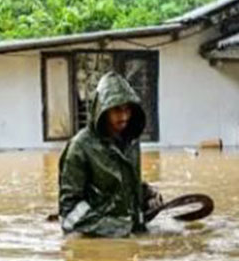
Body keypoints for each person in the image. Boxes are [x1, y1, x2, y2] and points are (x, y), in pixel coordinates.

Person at [58, 71, 161, 237]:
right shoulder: (80, 148)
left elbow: (123, 186)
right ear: (101, 110)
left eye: (127, 109)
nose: (124, 116)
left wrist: (148, 195)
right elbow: (69, 211)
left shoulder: (131, 142)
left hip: (131, 234)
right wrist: (113, 228)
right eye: (116, 110)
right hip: (97, 243)